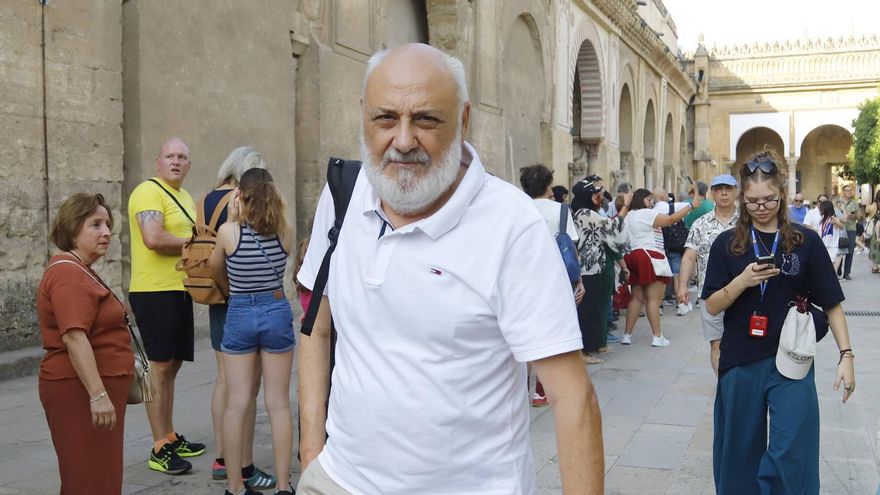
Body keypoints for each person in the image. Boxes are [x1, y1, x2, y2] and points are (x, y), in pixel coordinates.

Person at [297, 43, 603, 494]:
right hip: (339, 480)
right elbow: (315, 327)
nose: (402, 141)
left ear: (462, 120)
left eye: (425, 119)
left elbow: (573, 398)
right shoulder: (345, 193)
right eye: (385, 118)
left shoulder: (511, 227)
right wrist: (311, 455)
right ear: (363, 114)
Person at [702, 150, 855, 494]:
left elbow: (832, 302)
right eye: (753, 201)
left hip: (792, 358)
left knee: (792, 447)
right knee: (738, 452)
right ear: (742, 198)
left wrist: (847, 356)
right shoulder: (727, 245)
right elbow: (712, 305)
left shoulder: (805, 241)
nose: (761, 207)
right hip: (741, 359)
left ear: (782, 194)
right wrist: (742, 281)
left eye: (769, 199)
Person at [38, 193, 135, 495]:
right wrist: (97, 395)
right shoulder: (68, 274)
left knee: (99, 477)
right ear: (73, 229)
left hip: (91, 389)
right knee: (88, 481)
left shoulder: (80, 270)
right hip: (78, 392)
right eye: (95, 224)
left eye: (107, 224)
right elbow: (74, 336)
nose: (106, 232)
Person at [210, 168, 296, 495]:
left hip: (240, 310)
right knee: (279, 404)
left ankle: (235, 487)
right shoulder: (284, 231)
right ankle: (285, 486)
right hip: (276, 310)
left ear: (240, 195)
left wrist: (236, 213)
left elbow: (215, 269)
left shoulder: (229, 233)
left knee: (238, 403)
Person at [128, 137, 204, 475]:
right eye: (170, 155)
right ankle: (159, 446)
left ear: (189, 165)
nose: (176, 161)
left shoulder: (185, 197)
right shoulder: (148, 192)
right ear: (158, 162)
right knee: (158, 368)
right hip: (153, 290)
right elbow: (154, 238)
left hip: (179, 289)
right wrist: (195, 243)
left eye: (183, 157)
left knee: (171, 366)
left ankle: (170, 436)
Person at [205, 147, 275, 489]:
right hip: (242, 298)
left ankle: (222, 458)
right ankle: (243, 466)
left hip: (219, 297)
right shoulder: (241, 197)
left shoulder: (208, 198)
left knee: (225, 382)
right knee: (246, 388)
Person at [519, 164, 585, 404]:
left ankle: (520, 389)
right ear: (548, 186)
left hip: (524, 277)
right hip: (555, 278)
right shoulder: (561, 211)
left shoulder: (517, 208)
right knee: (550, 335)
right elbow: (572, 248)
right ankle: (541, 390)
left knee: (524, 332)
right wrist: (579, 281)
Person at [621, 189, 701, 346]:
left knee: (636, 297)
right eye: (649, 199)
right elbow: (670, 219)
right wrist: (690, 206)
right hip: (650, 256)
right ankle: (657, 337)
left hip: (633, 256)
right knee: (653, 300)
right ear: (641, 199)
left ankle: (626, 335)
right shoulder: (646, 213)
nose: (652, 203)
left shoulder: (629, 216)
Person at [677, 174, 739, 375]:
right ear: (712, 193)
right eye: (719, 189)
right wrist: (682, 286)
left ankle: (740, 381)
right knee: (717, 344)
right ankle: (724, 383)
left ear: (735, 192)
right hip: (710, 293)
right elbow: (689, 257)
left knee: (743, 341)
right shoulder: (701, 224)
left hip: (743, 292)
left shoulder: (746, 223)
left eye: (728, 189)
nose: (723, 193)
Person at [571, 180, 630, 363]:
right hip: (589, 268)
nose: (600, 197)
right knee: (588, 311)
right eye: (596, 194)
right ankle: (584, 352)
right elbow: (612, 229)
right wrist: (624, 208)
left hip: (594, 267)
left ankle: (593, 345)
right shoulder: (586, 213)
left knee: (595, 308)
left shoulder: (585, 212)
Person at [817, 200, 846, 273]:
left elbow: (842, 227)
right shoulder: (822, 220)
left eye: (821, 208)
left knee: (831, 271)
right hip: (823, 247)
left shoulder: (833, 219)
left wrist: (836, 222)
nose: (820, 210)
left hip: (832, 248)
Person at [839, 184, 859, 280]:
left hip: (851, 228)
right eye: (847, 190)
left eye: (850, 190)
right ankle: (838, 269)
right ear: (843, 191)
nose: (849, 192)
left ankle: (846, 273)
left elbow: (859, 216)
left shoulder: (855, 203)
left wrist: (853, 216)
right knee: (840, 250)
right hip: (840, 228)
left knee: (850, 251)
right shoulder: (837, 202)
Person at [868, 190, 880, 273]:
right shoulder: (876, 205)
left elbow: (870, 214)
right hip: (877, 228)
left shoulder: (874, 204)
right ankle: (875, 267)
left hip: (875, 228)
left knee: (875, 248)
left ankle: (875, 267)